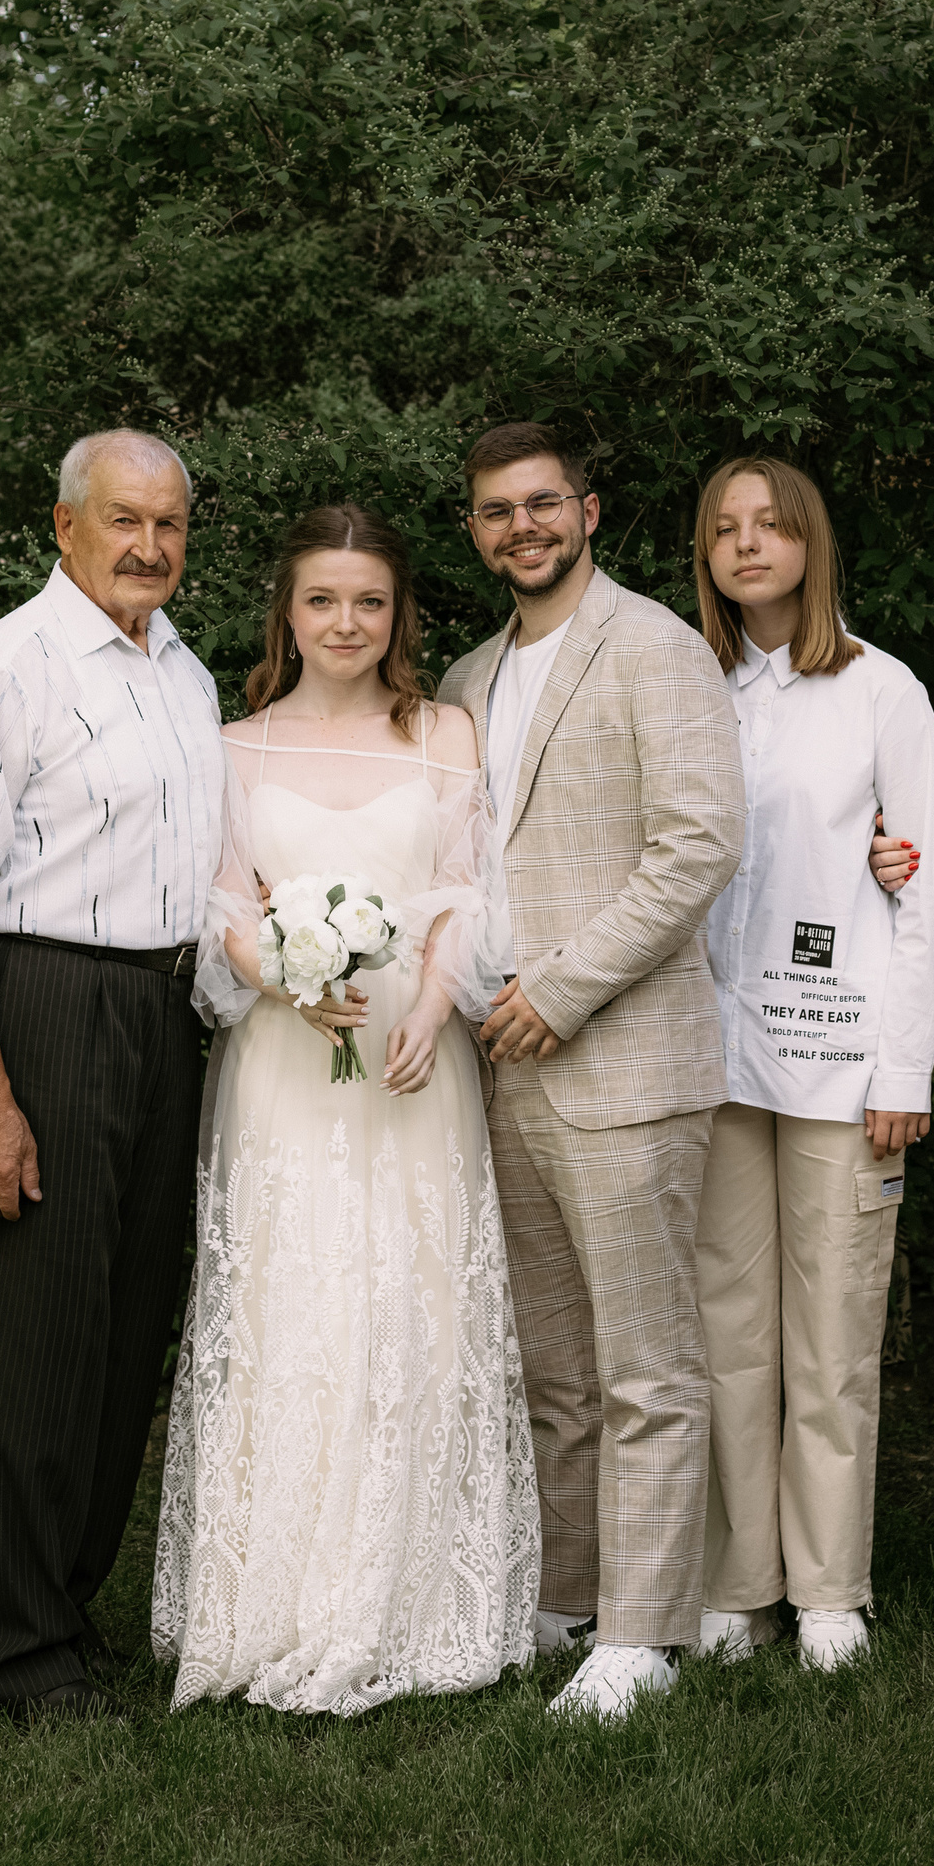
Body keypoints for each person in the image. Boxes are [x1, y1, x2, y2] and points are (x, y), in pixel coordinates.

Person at [152, 504, 540, 1713]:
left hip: (413, 1065)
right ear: (288, 612)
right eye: (322, 600)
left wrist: (438, 1005)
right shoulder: (234, 745)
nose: (345, 622)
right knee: (290, 1300)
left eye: (369, 601)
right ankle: (272, 1599)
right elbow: (221, 900)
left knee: (410, 1297)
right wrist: (283, 977)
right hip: (284, 1062)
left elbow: (469, 891)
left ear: (398, 615)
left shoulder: (444, 735)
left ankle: (411, 1591)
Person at [0, 429, 225, 1721]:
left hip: (161, 1012)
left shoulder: (184, 672)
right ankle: (15, 1647)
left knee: (127, 1327)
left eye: (169, 523)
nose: (148, 545)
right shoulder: (6, 669)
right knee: (36, 1332)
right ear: (65, 525)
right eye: (123, 520)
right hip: (40, 1002)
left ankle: (66, 1608)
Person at [439, 422, 745, 1722]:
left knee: (645, 1368)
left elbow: (699, 844)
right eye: (497, 511)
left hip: (622, 1060)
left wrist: (561, 992)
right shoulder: (465, 679)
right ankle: (566, 1596)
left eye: (543, 503)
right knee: (552, 1369)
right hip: (500, 1063)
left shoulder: (657, 649)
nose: (524, 526)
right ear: (476, 532)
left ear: (589, 511)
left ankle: (642, 1634)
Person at [690, 456, 934, 1672]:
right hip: (713, 1062)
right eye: (725, 528)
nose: (749, 545)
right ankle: (739, 1584)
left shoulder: (881, 689)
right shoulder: (691, 688)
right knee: (728, 1328)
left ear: (811, 542)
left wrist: (904, 1070)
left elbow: (926, 890)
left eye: (771, 525)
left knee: (835, 1330)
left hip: (843, 1065)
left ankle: (831, 1589)